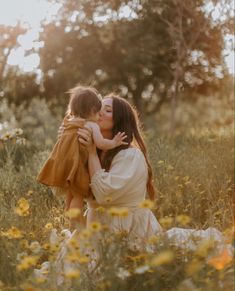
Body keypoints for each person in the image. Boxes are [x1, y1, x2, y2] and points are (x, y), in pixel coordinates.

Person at [77, 94, 162, 247]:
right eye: (98, 107)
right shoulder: (96, 150)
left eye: (107, 110)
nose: (99, 112)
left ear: (120, 120)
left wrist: (90, 152)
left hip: (128, 233)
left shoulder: (131, 155)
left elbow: (104, 194)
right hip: (95, 231)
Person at [37, 86, 127, 228]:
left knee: (70, 194)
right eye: (98, 112)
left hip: (62, 162)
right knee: (78, 194)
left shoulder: (68, 122)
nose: (100, 115)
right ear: (92, 110)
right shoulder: (91, 125)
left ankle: (68, 215)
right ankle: (76, 222)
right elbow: (101, 143)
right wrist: (114, 142)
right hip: (76, 165)